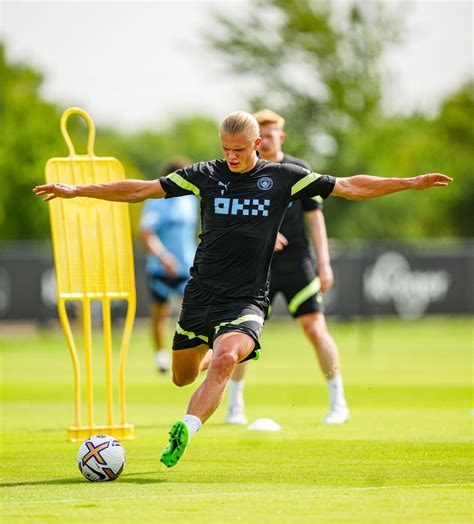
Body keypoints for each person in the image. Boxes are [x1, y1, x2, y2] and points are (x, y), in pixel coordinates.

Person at [33, 111, 452, 468]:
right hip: (200, 295)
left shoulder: (286, 177)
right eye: (225, 149)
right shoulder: (205, 175)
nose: (231, 157)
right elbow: (141, 190)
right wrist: (77, 191)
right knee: (183, 376)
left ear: (258, 145)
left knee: (228, 357)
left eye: (239, 149)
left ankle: (186, 429)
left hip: (247, 298)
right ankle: (207, 362)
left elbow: (350, 186)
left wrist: (408, 182)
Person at [226, 109, 348, 425]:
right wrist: (261, 232)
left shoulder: (298, 169)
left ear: (280, 136)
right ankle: (234, 406)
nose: (264, 141)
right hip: (257, 268)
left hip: (297, 264)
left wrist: (324, 263)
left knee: (315, 329)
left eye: (270, 135)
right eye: (260, 136)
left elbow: (314, 216)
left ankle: (338, 403)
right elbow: (228, 218)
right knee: (243, 337)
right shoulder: (241, 171)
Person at [139, 159, 198, 373]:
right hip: (160, 269)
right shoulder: (156, 201)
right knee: (159, 315)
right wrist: (164, 257)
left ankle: (188, 355)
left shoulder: (190, 200)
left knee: (192, 313)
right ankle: (160, 356)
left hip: (186, 268)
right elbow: (146, 234)